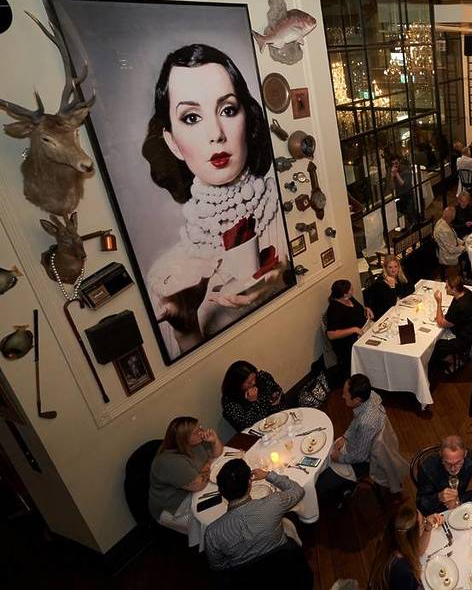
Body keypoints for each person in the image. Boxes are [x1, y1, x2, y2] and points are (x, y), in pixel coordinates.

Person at [142, 44, 286, 358]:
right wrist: (186, 328)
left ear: (247, 118)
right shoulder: (169, 278)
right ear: (173, 143)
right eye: (192, 117)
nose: (216, 133)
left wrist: (283, 278)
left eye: (228, 110)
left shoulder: (283, 207)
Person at [204, 459, 305, 571]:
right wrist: (268, 475)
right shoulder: (274, 503)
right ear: (249, 483)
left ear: (221, 492)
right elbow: (298, 490)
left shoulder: (212, 533)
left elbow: (218, 567)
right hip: (286, 564)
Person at [316, 374, 386, 504]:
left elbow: (360, 456)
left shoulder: (367, 424)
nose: (342, 396)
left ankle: (343, 492)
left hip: (362, 461)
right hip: (357, 445)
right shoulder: (372, 396)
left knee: (319, 486)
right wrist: (345, 436)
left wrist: (339, 458)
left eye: (345, 394)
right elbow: (356, 422)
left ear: (357, 400)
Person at [149, 416, 224, 533]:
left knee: (225, 498)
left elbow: (216, 455)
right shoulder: (170, 461)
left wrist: (215, 440)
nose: (202, 431)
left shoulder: (194, 443)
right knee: (213, 526)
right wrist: (208, 465)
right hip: (174, 506)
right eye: (196, 431)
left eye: (200, 427)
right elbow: (198, 485)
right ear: (183, 438)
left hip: (193, 490)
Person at [367, 502, 445, 590]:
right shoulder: (405, 571)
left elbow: (418, 551)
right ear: (412, 538)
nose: (425, 519)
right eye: (423, 522)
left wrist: (427, 527)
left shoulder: (390, 542)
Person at [415, 435, 472, 515]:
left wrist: (460, 499)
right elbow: (421, 506)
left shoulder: (471, 458)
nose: (453, 469)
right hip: (438, 512)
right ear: (441, 455)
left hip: (460, 504)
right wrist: (439, 497)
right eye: (447, 463)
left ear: (465, 454)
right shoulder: (427, 467)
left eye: (458, 462)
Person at [428, 274, 472, 373]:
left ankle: (455, 360)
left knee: (436, 346)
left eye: (447, 286)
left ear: (454, 289)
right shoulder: (466, 292)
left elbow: (441, 323)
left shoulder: (460, 306)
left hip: (468, 338)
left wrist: (439, 302)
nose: (445, 288)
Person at [324, 279, 373, 383]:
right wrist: (354, 329)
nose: (353, 290)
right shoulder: (334, 309)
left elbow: (357, 310)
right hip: (348, 342)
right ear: (344, 294)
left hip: (363, 329)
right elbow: (331, 334)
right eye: (351, 289)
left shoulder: (349, 298)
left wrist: (366, 309)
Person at [221, 360, 285, 432]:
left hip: (278, 420)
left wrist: (276, 400)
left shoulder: (262, 377)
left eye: (254, 378)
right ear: (237, 384)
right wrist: (254, 402)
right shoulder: (230, 402)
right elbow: (247, 425)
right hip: (257, 433)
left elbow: (278, 393)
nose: (254, 382)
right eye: (249, 382)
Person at [364, 254, 414, 320]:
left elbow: (411, 288)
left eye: (396, 266)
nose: (393, 270)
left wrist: (399, 296)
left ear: (399, 266)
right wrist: (392, 286)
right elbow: (392, 302)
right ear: (385, 268)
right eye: (390, 267)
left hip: (397, 307)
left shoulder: (400, 274)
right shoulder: (381, 281)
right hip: (383, 313)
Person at [390, 157, 417, 226]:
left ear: (400, 162)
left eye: (396, 163)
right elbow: (392, 187)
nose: (395, 165)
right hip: (399, 195)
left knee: (410, 213)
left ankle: (414, 225)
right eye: (393, 164)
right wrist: (392, 177)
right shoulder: (394, 171)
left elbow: (404, 185)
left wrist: (396, 174)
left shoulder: (406, 170)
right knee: (401, 214)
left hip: (407, 194)